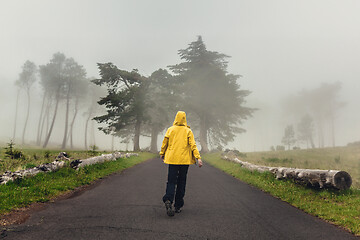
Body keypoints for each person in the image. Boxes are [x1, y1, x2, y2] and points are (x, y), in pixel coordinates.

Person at [160, 111, 202, 217]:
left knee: (171, 181)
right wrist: (198, 158)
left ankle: (168, 199)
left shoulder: (170, 129)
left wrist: (162, 153)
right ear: (184, 119)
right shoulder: (188, 131)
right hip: (184, 161)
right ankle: (178, 206)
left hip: (172, 159)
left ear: (176, 118)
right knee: (181, 182)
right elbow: (193, 145)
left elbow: (165, 142)